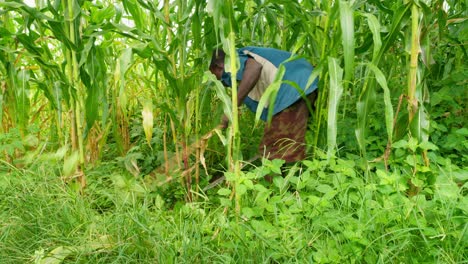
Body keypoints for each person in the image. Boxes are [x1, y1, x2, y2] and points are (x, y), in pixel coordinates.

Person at [209, 46, 318, 164]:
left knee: (271, 149)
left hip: (292, 88)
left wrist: (232, 108)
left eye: (214, 76)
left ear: (218, 67)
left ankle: (273, 182)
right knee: (287, 144)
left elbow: (254, 68)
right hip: (302, 86)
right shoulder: (242, 62)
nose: (220, 82)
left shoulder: (234, 60)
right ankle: (298, 175)